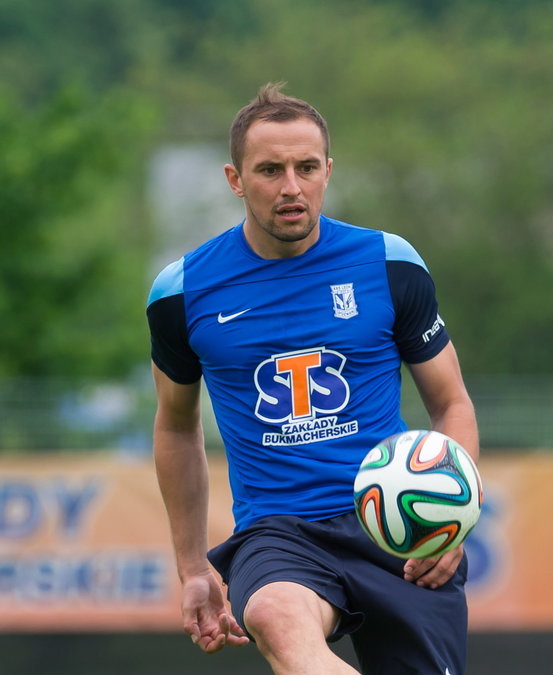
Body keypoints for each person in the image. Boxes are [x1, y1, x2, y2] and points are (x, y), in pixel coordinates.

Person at [147, 82, 478, 675]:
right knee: (275, 615)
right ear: (235, 179)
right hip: (278, 532)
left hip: (397, 526)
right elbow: (175, 428)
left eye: (305, 167)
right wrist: (195, 567)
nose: (291, 187)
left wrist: (451, 522)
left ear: (328, 170)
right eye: (270, 169)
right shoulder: (182, 292)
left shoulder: (390, 263)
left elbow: (451, 403)